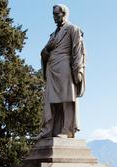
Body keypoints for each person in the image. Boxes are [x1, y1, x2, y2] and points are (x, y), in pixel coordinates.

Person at [36, 4, 86, 139]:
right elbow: (44, 54)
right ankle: (48, 130)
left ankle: (67, 130)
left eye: (57, 14)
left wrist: (78, 70)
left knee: (67, 98)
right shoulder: (53, 35)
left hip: (65, 67)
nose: (54, 17)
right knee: (50, 101)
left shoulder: (73, 29)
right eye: (53, 14)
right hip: (52, 68)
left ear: (64, 14)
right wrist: (47, 49)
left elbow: (77, 51)